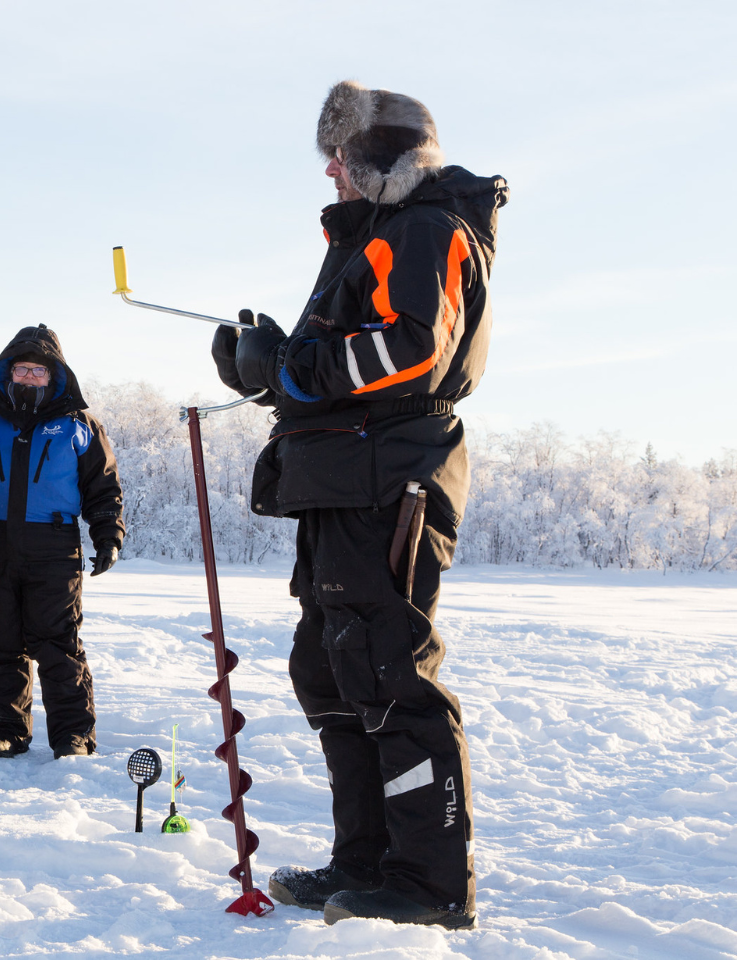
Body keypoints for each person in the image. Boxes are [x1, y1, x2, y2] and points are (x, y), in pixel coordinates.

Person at [211, 81, 508, 928]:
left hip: (393, 477)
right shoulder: (374, 234)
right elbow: (334, 367)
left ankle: (429, 885)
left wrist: (295, 369)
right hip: (343, 476)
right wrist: (264, 368)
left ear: (382, 159)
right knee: (333, 673)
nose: (331, 175)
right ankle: (367, 860)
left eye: (342, 159)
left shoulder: (428, 228)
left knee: (388, 674)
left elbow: (411, 351)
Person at [0, 324, 123, 760]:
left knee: (58, 643)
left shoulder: (80, 425)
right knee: (0, 642)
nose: (30, 377)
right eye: (22, 369)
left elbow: (103, 487)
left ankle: (72, 735)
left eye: (39, 370)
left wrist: (108, 535)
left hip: (53, 545)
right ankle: (7, 729)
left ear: (55, 376)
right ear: (6, 374)